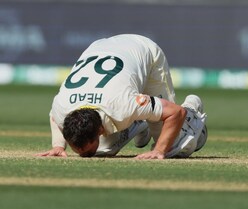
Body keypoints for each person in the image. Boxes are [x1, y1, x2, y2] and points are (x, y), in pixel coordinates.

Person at [37, 34, 207, 159]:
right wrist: (58, 146)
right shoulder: (63, 106)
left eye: (85, 151)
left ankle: (192, 109)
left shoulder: (123, 105)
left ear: (100, 129)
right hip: (101, 47)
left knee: (174, 147)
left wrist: (159, 151)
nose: (84, 156)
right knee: (102, 151)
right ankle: (139, 122)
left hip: (143, 50)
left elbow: (175, 113)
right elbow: (54, 115)